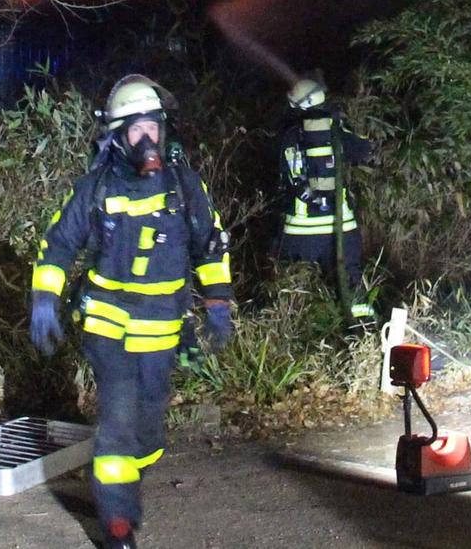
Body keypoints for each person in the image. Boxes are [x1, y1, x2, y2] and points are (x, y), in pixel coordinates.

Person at [30, 75, 233, 549]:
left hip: (163, 327)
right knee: (118, 421)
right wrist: (44, 299)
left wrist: (218, 301)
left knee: (147, 427)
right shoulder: (95, 187)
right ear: (117, 136)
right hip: (108, 324)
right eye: (135, 131)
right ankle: (118, 524)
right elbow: (57, 246)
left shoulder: (184, 186)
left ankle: (118, 480)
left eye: (153, 129)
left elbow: (211, 245)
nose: (147, 140)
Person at [273, 77, 378, 322]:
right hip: (340, 228)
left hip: (298, 232)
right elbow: (365, 150)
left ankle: (296, 333)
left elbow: (280, 174)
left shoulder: (287, 136)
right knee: (351, 284)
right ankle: (362, 335)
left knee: (292, 287)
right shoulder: (335, 130)